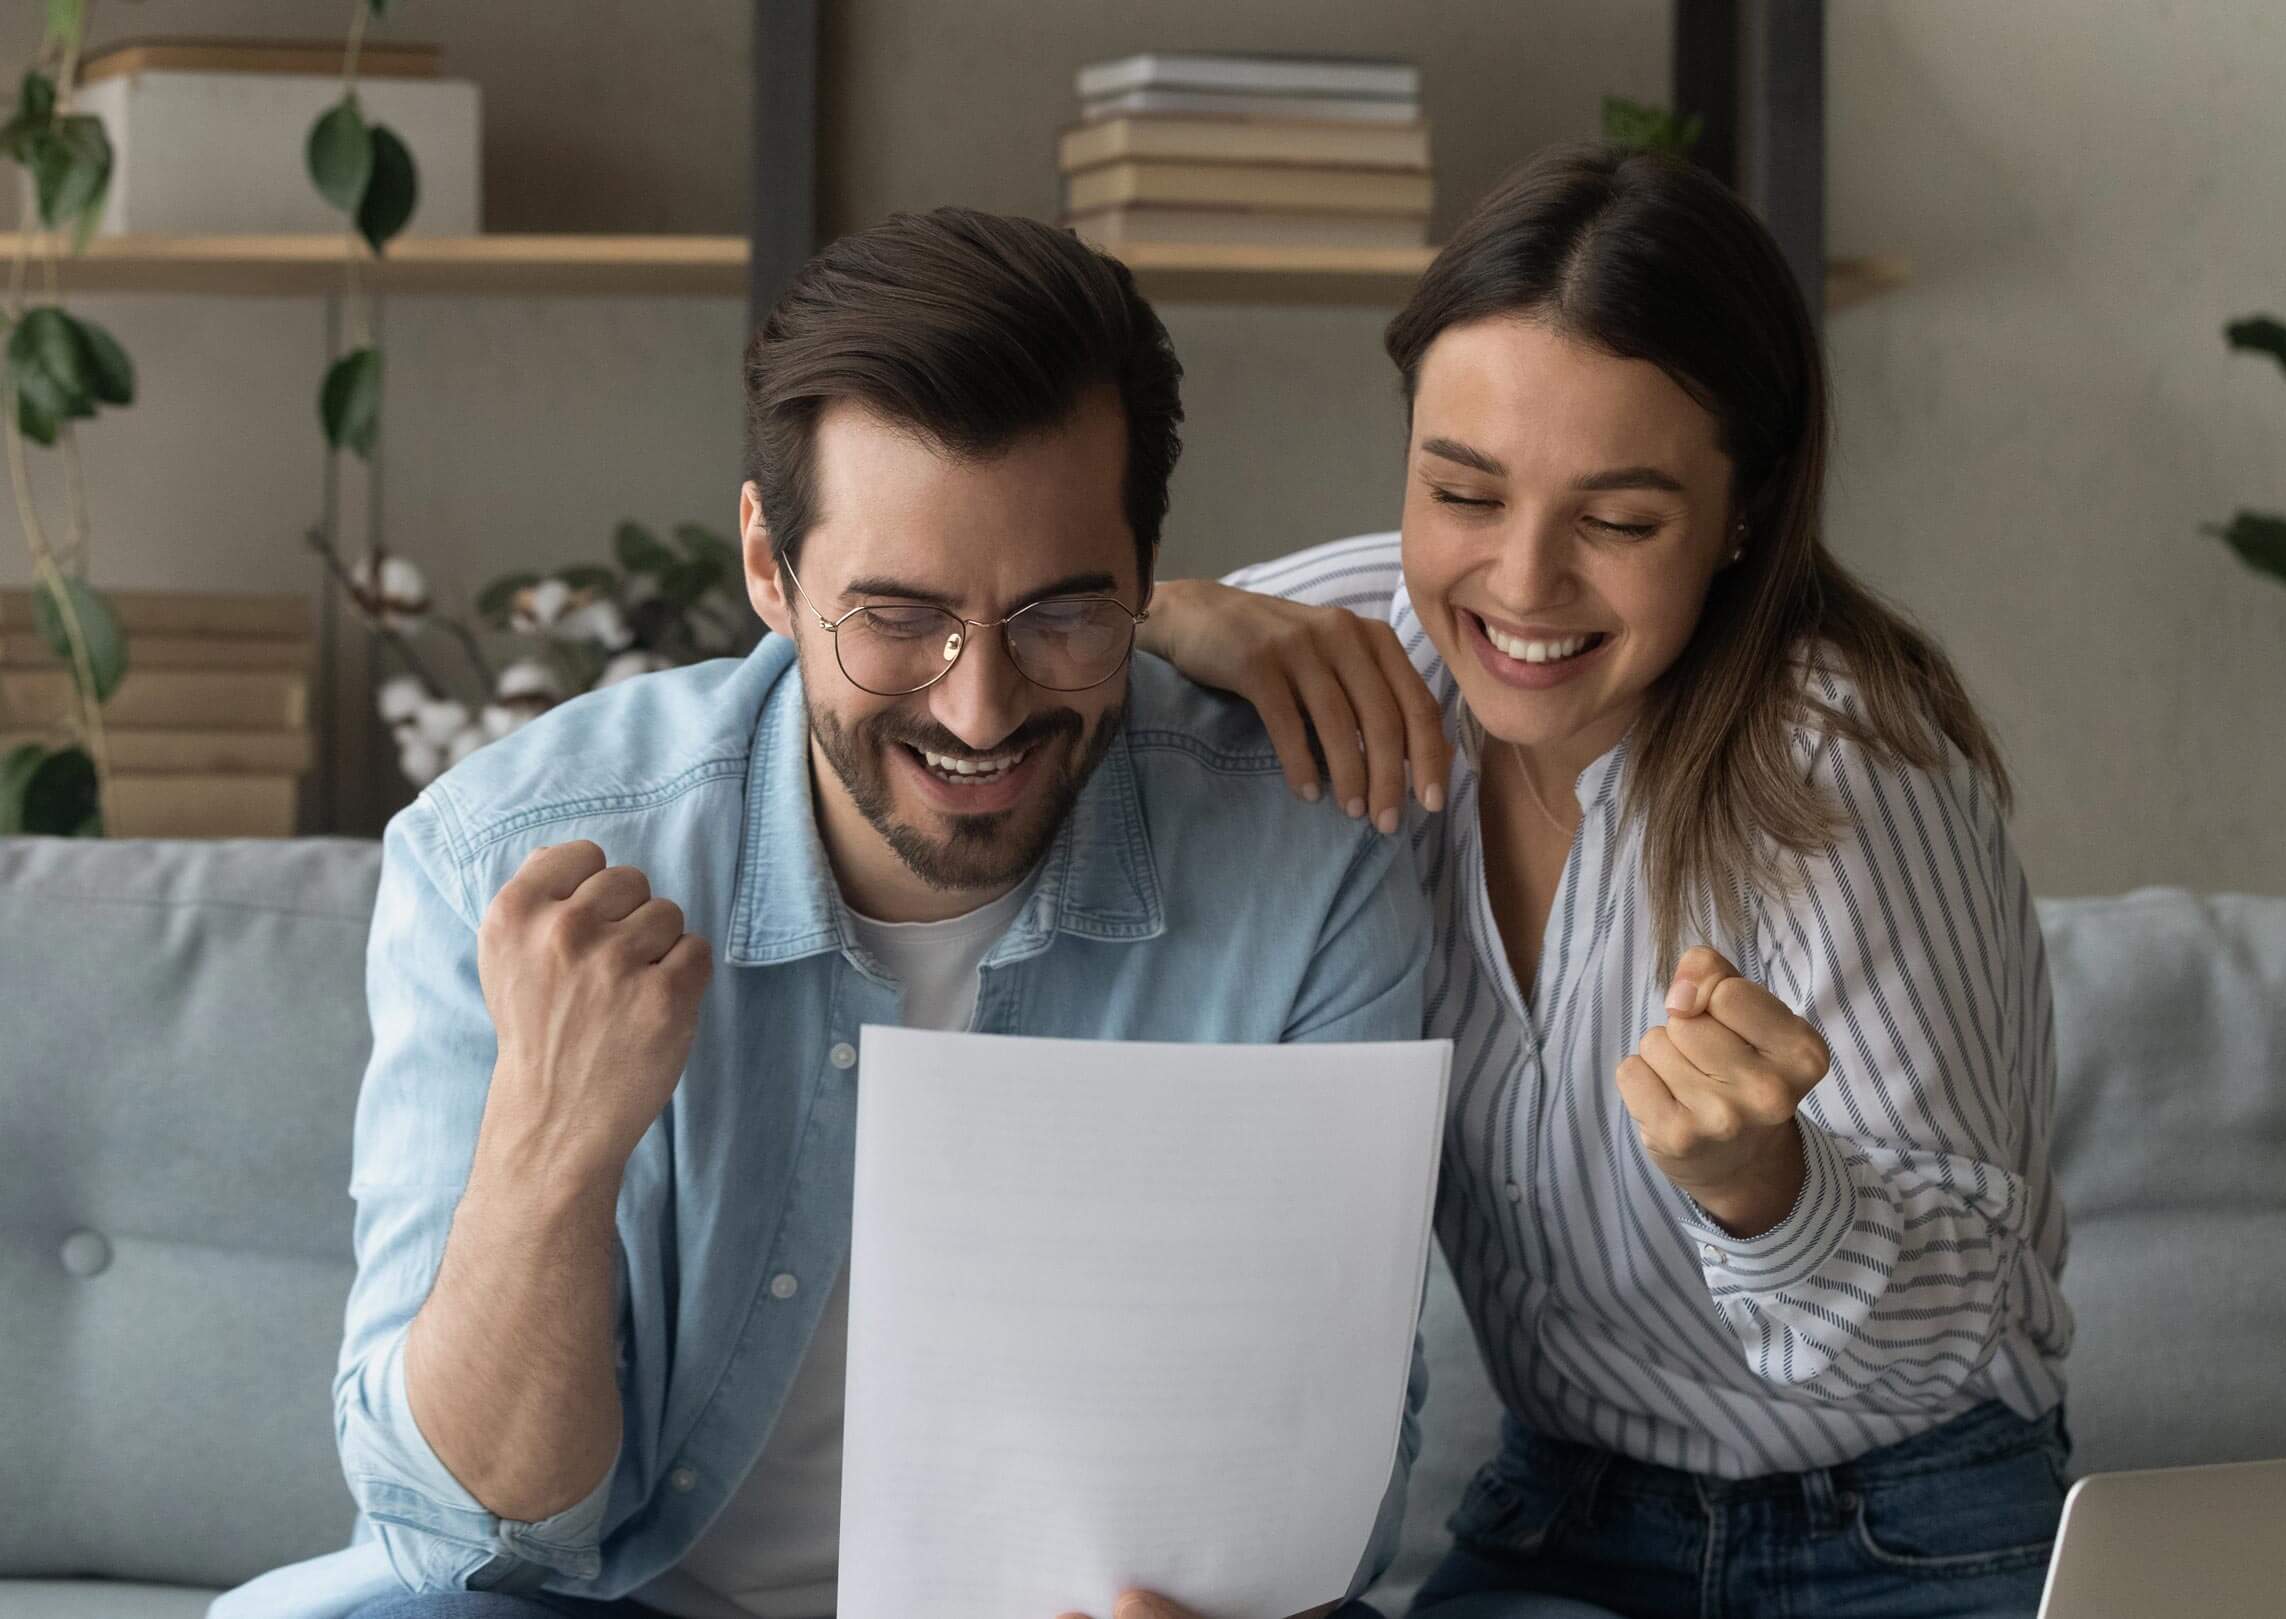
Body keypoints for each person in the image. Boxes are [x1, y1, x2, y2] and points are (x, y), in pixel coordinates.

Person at [208, 208, 1426, 1619]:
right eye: (897, 616)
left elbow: (1340, 1508)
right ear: (768, 571)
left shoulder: (1312, 867)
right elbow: (465, 1532)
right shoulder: (505, 856)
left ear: (1149, 585)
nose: (979, 708)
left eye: (1059, 614)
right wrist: (556, 1138)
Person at [1141, 142, 2074, 1619]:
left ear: (1744, 514)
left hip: (1905, 1535)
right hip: (1562, 1520)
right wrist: (1170, 614)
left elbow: (1961, 1324)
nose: (1519, 585)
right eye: (1461, 491)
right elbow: (1002, 642)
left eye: (1621, 522)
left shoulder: (1845, 771)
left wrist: (1769, 1191)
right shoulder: (1355, 645)